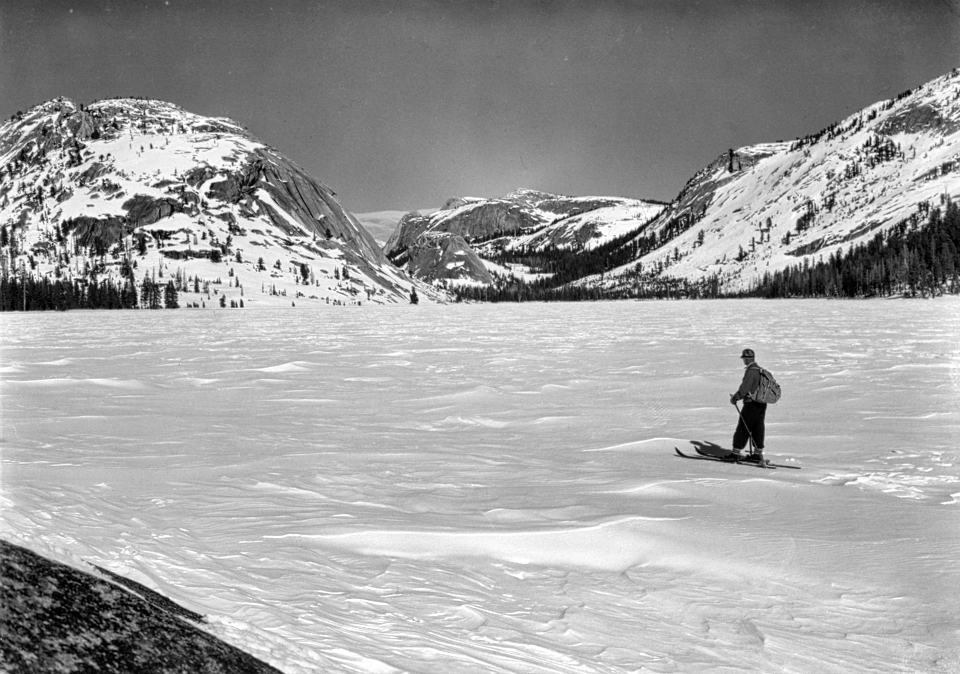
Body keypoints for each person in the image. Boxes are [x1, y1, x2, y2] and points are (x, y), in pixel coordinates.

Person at [729, 348, 766, 462]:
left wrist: (735, 398)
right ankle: (757, 453)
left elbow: (744, 389)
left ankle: (735, 453)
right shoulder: (760, 370)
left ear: (745, 359)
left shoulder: (751, 371)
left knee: (743, 427)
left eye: (744, 358)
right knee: (758, 427)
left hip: (751, 403)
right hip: (762, 403)